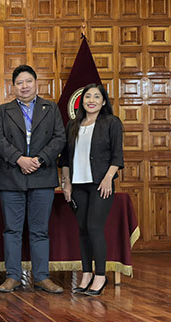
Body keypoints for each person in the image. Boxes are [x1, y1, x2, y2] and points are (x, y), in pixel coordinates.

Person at [0, 65, 66, 294]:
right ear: (13, 87)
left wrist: (39, 160)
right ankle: (12, 276)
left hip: (42, 176)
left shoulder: (50, 108)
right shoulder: (4, 110)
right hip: (13, 176)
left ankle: (42, 276)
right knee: (12, 230)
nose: (24, 86)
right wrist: (19, 159)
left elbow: (59, 138)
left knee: (40, 230)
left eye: (28, 82)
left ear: (36, 83)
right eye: (19, 83)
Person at [59, 83, 123, 296]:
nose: (91, 100)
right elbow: (65, 158)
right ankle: (86, 273)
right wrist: (66, 183)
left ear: (103, 101)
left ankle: (100, 276)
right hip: (78, 185)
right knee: (83, 230)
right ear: (81, 101)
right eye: (88, 97)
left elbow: (117, 155)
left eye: (96, 96)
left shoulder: (111, 122)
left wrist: (108, 178)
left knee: (95, 228)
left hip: (100, 184)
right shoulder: (73, 125)